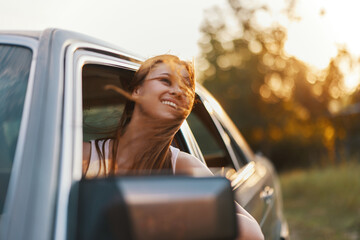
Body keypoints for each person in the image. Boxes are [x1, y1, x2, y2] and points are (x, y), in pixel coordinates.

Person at [82, 54, 264, 240]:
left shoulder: (183, 166)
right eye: (165, 81)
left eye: (186, 87)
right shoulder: (82, 155)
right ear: (137, 90)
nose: (178, 91)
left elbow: (253, 234)